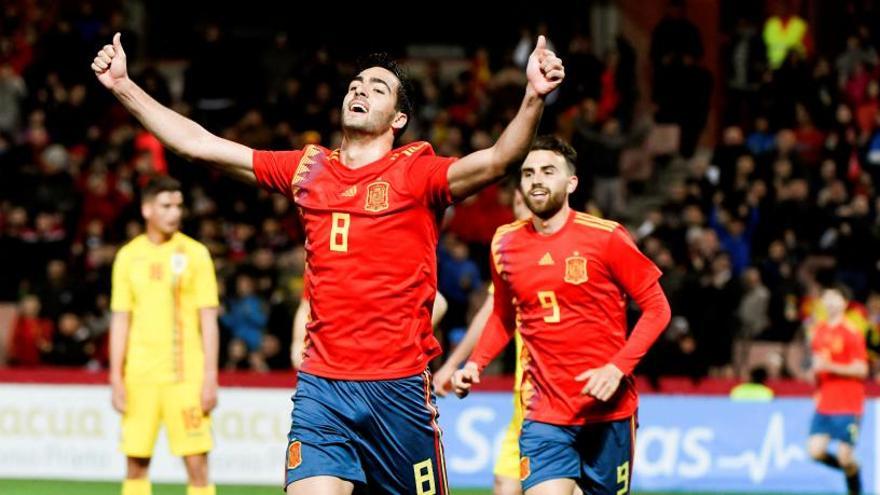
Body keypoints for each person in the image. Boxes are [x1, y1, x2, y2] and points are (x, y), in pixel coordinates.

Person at [93, 32, 564, 495]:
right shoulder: (308, 169)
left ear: (399, 118)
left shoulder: (417, 173)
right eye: (356, 83)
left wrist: (533, 98)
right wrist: (123, 87)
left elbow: (501, 159)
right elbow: (199, 144)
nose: (360, 89)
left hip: (398, 391)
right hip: (323, 389)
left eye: (378, 88)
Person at [452, 136, 671, 495]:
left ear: (571, 182)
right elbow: (505, 316)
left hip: (608, 413)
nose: (536, 179)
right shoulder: (504, 243)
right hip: (542, 414)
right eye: (528, 173)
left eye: (548, 171)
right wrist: (477, 363)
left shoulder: (607, 237)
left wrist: (617, 368)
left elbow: (658, 308)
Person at [109, 176, 220, 495]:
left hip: (186, 376)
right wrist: (116, 377)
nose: (175, 213)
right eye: (166, 206)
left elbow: (208, 320)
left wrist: (210, 376)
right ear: (147, 210)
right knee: (135, 464)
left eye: (178, 206)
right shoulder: (128, 257)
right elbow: (120, 320)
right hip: (140, 376)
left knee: (197, 465)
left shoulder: (196, 254)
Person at [807, 284, 867, 495]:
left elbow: (862, 369)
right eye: (827, 298)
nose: (830, 302)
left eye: (835, 298)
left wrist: (830, 366)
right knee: (814, 451)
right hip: (825, 403)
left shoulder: (852, 332)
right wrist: (817, 389)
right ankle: (852, 471)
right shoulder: (818, 331)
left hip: (849, 403)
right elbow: (817, 368)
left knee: (844, 456)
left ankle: (854, 486)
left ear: (844, 303)